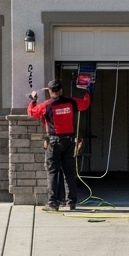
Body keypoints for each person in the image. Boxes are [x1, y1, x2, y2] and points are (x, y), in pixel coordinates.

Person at [27, 78, 91, 210]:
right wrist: (87, 91)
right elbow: (85, 104)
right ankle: (71, 202)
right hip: (69, 142)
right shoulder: (71, 102)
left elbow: (32, 112)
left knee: (53, 172)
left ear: (50, 91)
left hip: (54, 142)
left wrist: (33, 99)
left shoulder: (46, 105)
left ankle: (53, 203)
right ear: (61, 90)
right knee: (70, 173)